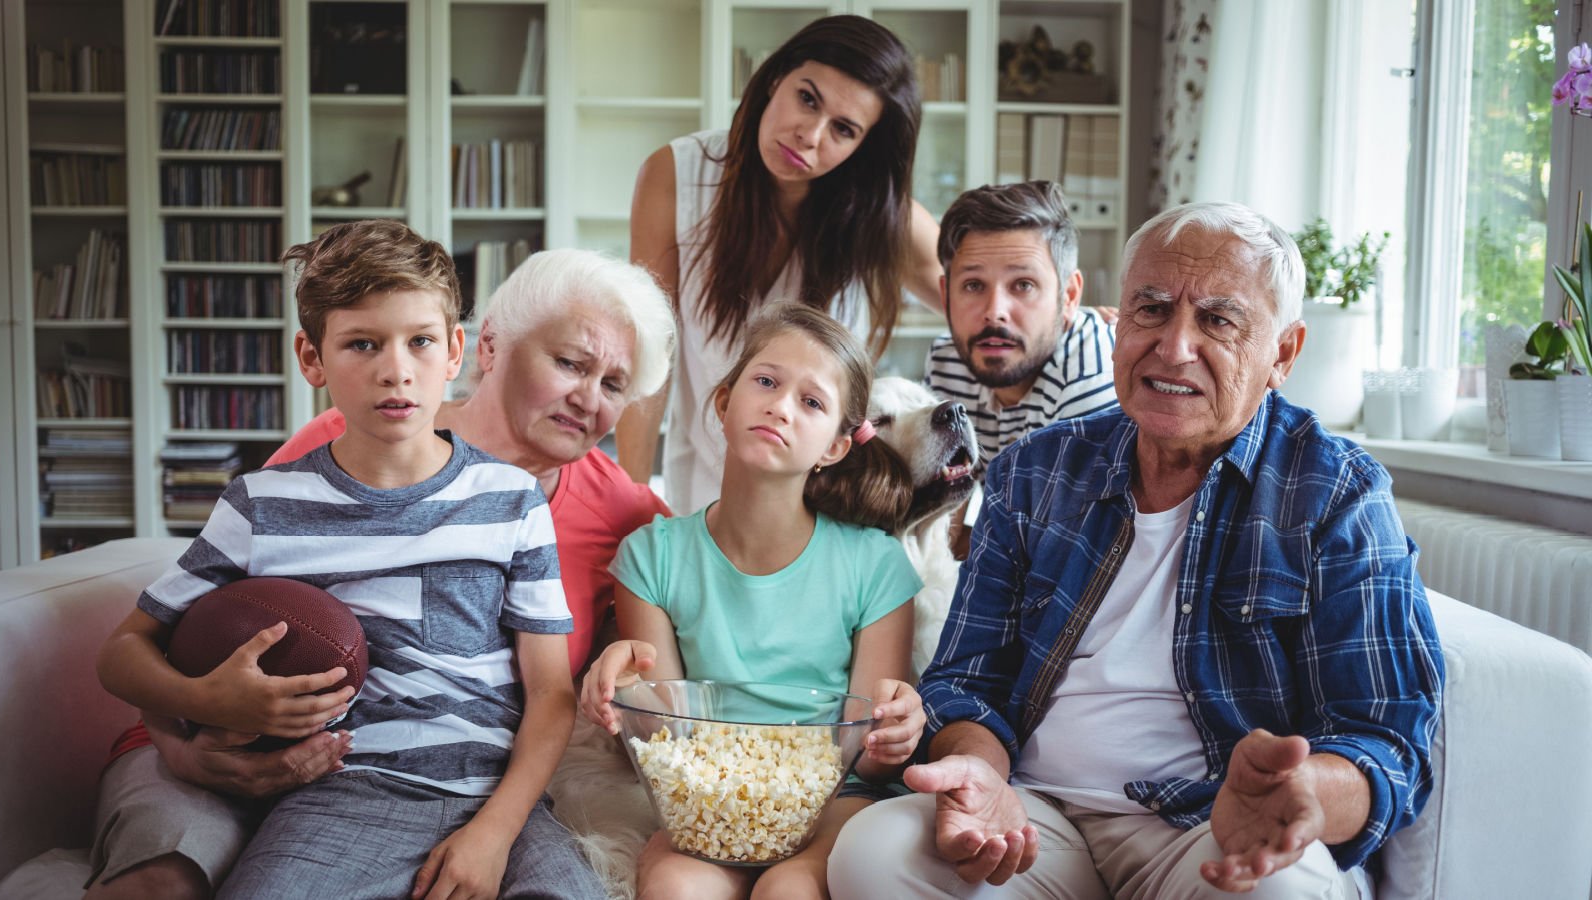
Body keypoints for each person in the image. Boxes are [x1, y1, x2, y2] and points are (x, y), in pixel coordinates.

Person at [827, 201, 1446, 900]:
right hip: (1035, 815)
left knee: (1279, 891)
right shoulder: (1034, 471)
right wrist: (979, 771)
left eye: (1218, 320)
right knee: (873, 854)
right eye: (1151, 311)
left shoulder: (1336, 492)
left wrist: (1308, 791)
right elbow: (967, 680)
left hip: (1209, 824)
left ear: (1283, 352)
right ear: (1117, 324)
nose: (1174, 346)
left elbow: (1387, 735)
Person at [89, 223, 612, 900]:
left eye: (420, 341)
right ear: (312, 357)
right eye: (362, 344)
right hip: (340, 795)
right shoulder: (262, 505)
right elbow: (121, 654)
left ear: (455, 349)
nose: (395, 369)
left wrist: (495, 832)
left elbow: (550, 696)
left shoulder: (509, 501)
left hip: (495, 802)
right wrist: (203, 698)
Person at [581, 304, 927, 899]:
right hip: (705, 797)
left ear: (837, 448)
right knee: (674, 888)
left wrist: (894, 733)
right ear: (723, 403)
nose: (781, 405)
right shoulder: (652, 558)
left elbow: (867, 761)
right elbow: (669, 743)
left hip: (835, 799)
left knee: (787, 892)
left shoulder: (875, 565)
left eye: (812, 402)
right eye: (765, 381)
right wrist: (619, 695)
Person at [619, 14, 944, 515]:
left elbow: (982, 299)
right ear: (776, 77)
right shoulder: (676, 175)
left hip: (826, 503)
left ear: (863, 147)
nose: (809, 136)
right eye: (807, 98)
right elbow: (648, 354)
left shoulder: (881, 215)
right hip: (703, 492)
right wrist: (627, 504)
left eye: (843, 129)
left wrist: (1084, 322)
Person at [925, 180, 1118, 466]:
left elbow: (1062, 511)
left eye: (1023, 285)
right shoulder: (946, 363)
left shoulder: (1092, 368)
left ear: (1069, 296)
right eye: (974, 285)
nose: (995, 312)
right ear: (945, 295)